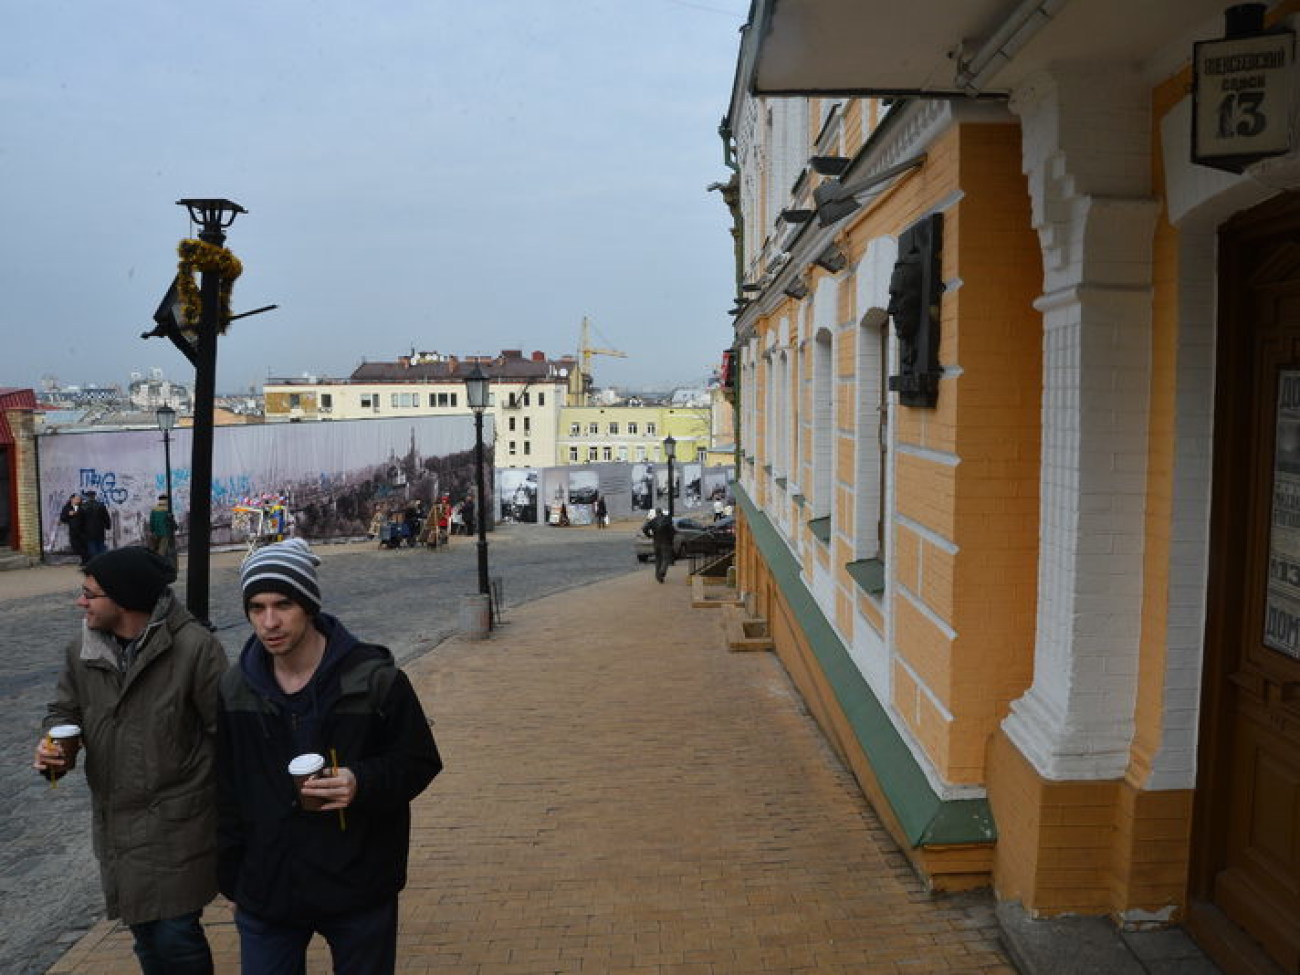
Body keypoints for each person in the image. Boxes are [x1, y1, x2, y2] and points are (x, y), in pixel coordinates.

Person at [217, 539, 442, 974]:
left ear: (309, 605)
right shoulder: (234, 689)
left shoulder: (375, 681)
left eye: (283, 604)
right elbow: (226, 789)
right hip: (268, 888)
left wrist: (363, 781)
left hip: (357, 882)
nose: (269, 622)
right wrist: (231, 879)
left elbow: (418, 761)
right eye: (256, 607)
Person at [33, 546, 228, 975]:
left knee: (176, 934)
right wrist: (52, 747)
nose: (80, 602)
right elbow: (63, 711)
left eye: (90, 594)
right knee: (146, 936)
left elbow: (227, 736)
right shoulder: (81, 652)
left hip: (179, 825)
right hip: (118, 823)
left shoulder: (195, 649)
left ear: (124, 599)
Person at [642, 508, 677, 583]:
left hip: (656, 543)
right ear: (661, 512)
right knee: (665, 558)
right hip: (666, 542)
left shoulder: (653, 521)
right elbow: (672, 531)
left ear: (656, 513)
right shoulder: (667, 520)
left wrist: (649, 535)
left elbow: (644, 528)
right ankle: (662, 571)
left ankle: (658, 576)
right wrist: (671, 537)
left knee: (658, 560)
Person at [78, 489, 113, 559]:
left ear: (87, 496)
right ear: (94, 496)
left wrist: (80, 531)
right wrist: (108, 526)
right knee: (101, 547)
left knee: (92, 549)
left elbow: (80, 521)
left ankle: (95, 563)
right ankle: (102, 562)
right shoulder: (101, 506)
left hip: (88, 532)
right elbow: (106, 518)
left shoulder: (83, 507)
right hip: (100, 530)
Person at [147, 494, 178, 565]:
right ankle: (159, 565)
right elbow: (171, 520)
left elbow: (151, 522)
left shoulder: (154, 510)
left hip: (155, 533)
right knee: (161, 551)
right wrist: (175, 527)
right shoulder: (167, 510)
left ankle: (153, 563)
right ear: (166, 500)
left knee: (153, 550)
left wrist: (152, 531)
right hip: (165, 533)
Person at [59, 491, 87, 565]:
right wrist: (69, 514)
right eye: (76, 499)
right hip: (73, 530)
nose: (78, 500)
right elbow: (62, 518)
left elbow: (86, 517)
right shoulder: (67, 508)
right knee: (75, 545)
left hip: (83, 530)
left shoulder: (83, 507)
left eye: (79, 499)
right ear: (72, 499)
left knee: (83, 545)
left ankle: (85, 560)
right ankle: (84, 558)